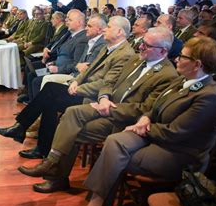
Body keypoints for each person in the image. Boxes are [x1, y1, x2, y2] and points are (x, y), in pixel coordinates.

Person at [60, 37, 216, 206]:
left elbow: (175, 133)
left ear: (197, 64)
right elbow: (154, 106)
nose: (176, 59)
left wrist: (143, 127)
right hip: (155, 135)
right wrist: (145, 118)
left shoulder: (209, 96)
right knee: (114, 141)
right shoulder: (184, 80)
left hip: (179, 153)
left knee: (115, 156)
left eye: (182, 56)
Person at [18, 28, 178, 193]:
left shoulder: (168, 75)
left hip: (123, 121)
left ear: (163, 51)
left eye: (147, 45)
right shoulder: (136, 61)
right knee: (70, 115)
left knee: (69, 128)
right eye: (142, 42)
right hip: (105, 105)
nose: (141, 47)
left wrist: (109, 108)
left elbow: (145, 109)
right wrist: (104, 98)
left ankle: (54, 174)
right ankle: (52, 166)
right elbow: (109, 82)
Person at [0, 16, 135, 156]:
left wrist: (79, 88)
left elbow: (107, 83)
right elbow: (88, 70)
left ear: (120, 32)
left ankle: (23, 129)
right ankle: (39, 146)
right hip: (83, 88)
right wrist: (76, 81)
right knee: (50, 98)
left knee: (50, 91)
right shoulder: (108, 48)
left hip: (93, 98)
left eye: (109, 27)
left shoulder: (125, 54)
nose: (105, 29)